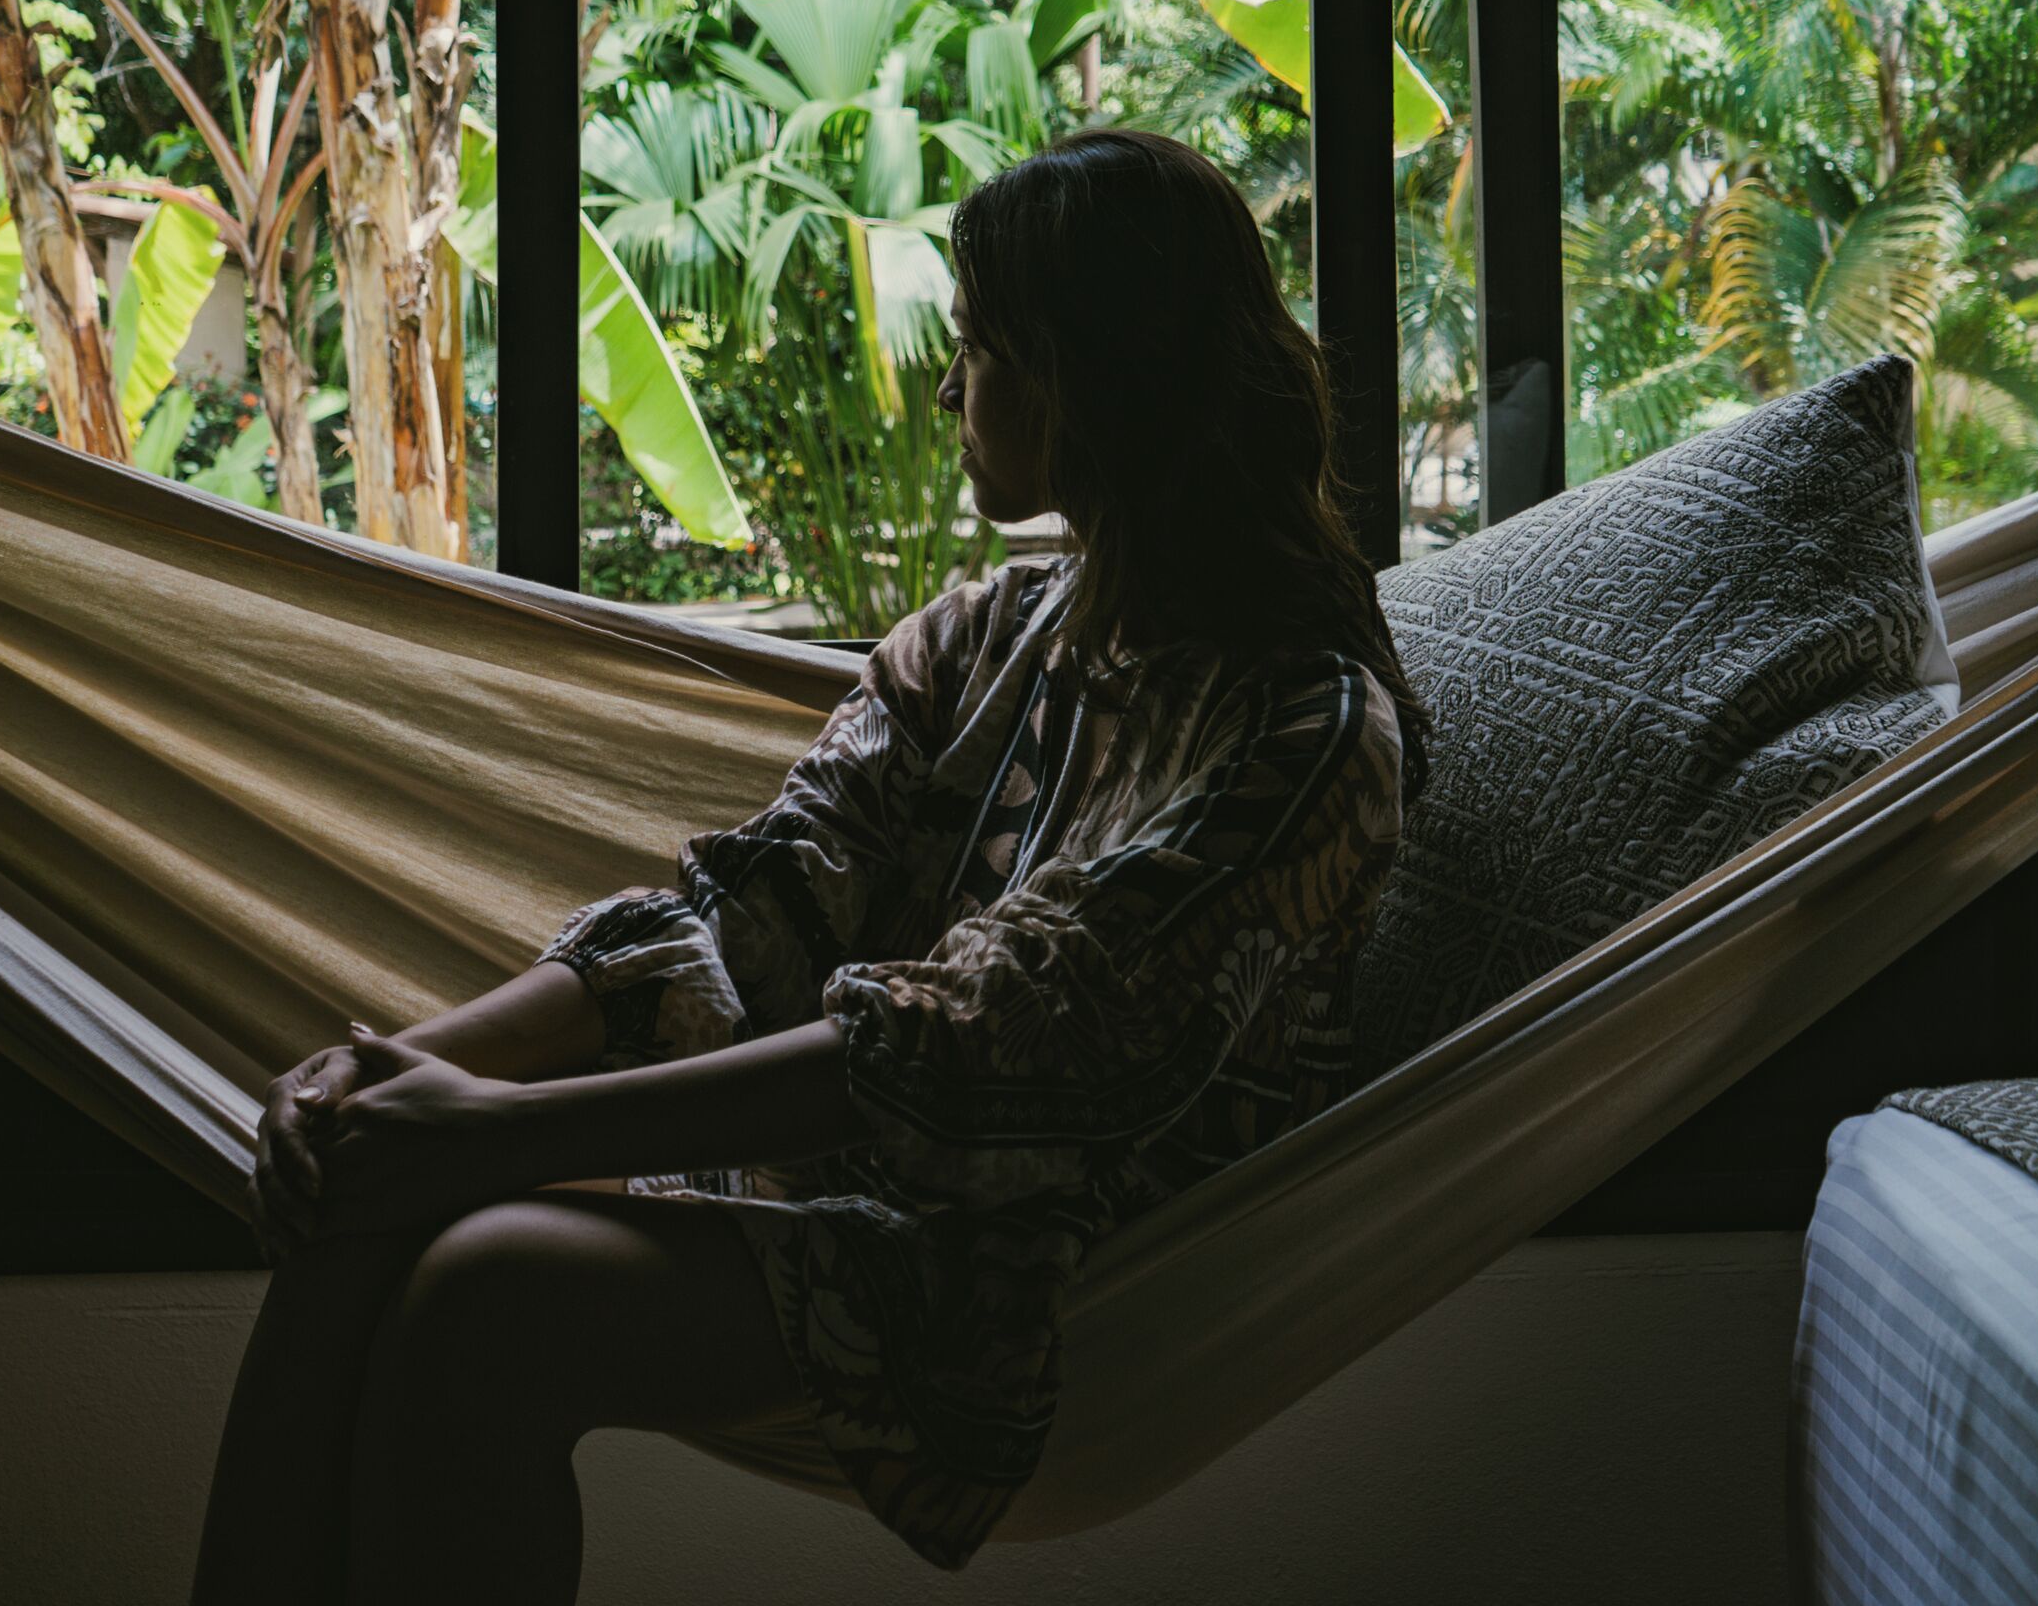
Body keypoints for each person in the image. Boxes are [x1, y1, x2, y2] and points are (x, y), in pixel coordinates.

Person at [189, 129, 1423, 1601]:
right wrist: (398, 1074)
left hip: (1048, 1276)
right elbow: (756, 908)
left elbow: (975, 1046)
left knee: (484, 1296)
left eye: (981, 347)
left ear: (1091, 376)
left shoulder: (1305, 735)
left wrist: (488, 1133)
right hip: (843, 1190)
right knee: (362, 1208)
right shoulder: (987, 638)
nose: (952, 388)